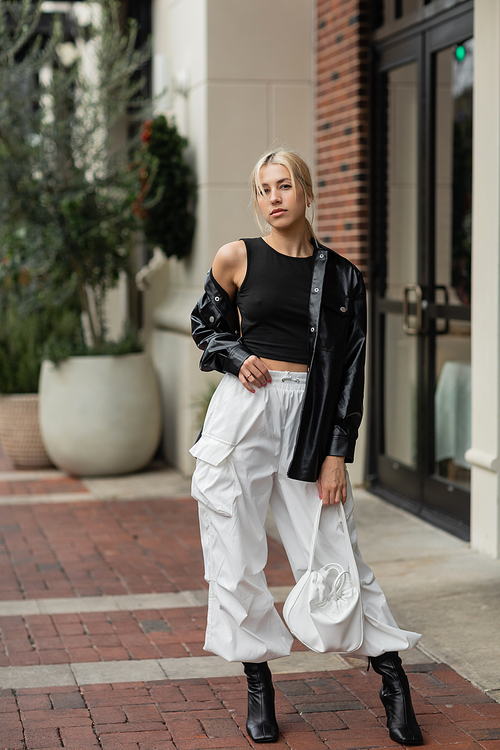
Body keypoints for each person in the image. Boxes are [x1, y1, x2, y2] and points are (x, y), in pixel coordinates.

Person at [190, 149, 424, 745]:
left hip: (311, 421)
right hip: (242, 416)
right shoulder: (235, 257)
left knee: (335, 557)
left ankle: (392, 677)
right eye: (264, 188)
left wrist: (338, 452)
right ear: (257, 199)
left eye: (285, 184)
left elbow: (350, 370)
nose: (275, 196)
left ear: (306, 191)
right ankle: (258, 680)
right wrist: (237, 356)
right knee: (234, 555)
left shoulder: (344, 277)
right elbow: (206, 327)